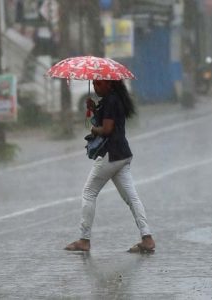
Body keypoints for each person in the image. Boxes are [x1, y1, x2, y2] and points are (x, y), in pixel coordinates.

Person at [64, 80, 155, 253]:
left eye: (99, 84)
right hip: (122, 154)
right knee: (132, 198)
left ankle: (84, 240)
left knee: (89, 193)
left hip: (110, 154)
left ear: (110, 85)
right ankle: (147, 238)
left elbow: (106, 129)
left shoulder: (112, 100)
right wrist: (94, 108)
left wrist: (94, 130)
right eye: (95, 84)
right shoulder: (112, 99)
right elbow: (106, 120)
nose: (96, 87)